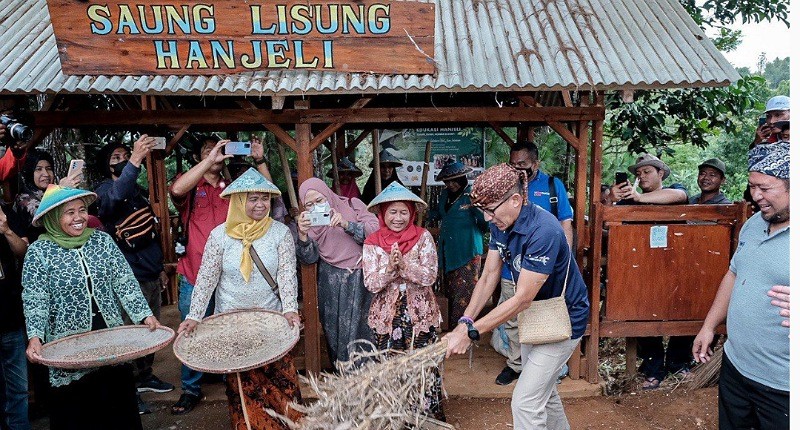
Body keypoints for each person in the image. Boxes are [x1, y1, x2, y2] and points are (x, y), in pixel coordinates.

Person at [444, 164, 589, 429]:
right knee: (544, 393)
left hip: (563, 319)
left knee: (525, 402)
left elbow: (522, 298)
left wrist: (472, 332)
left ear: (515, 199)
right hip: (536, 317)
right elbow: (489, 276)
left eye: (490, 210)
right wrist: (465, 321)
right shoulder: (502, 222)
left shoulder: (543, 230)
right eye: (483, 211)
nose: (487, 219)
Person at [21, 184, 160, 430]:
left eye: (82, 210)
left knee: (118, 410)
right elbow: (35, 298)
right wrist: (35, 336)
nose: (79, 218)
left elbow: (124, 281)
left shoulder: (102, 241)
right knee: (79, 414)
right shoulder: (39, 252)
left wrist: (144, 315)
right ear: (54, 218)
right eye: (69, 213)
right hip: (68, 346)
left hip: (110, 340)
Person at [178, 168, 302, 429]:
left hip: (271, 321)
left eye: (265, 199)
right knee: (244, 389)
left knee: (281, 384)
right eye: (253, 199)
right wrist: (194, 315)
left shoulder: (280, 233)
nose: (260, 205)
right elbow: (206, 279)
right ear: (238, 201)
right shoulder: (219, 235)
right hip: (232, 325)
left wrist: (290, 308)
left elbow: (287, 274)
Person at [693, 143, 789, 429]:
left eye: (765, 188)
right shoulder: (754, 224)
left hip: (783, 383)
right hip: (736, 367)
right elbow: (734, 274)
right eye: (752, 186)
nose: (756, 196)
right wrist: (709, 325)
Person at [93, 136, 174, 413]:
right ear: (106, 167)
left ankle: (145, 376)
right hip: (127, 277)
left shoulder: (137, 191)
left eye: (124, 155)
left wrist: (160, 268)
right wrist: (137, 160)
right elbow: (116, 197)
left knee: (151, 331)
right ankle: (128, 390)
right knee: (129, 335)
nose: (122, 160)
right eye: (115, 158)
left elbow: (150, 232)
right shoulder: (104, 190)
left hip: (149, 271)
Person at [362, 182, 445, 421]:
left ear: (412, 213)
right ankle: (394, 418)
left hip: (420, 316)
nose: (398, 218)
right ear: (382, 213)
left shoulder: (423, 237)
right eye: (392, 211)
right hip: (386, 319)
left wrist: (405, 266)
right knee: (390, 368)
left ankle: (426, 418)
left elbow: (430, 275)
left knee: (423, 367)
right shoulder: (372, 242)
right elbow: (371, 283)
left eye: (403, 212)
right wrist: (389, 269)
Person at [496, 141, 574, 385]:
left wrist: (564, 263)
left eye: (523, 165)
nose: (518, 169)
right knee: (512, 319)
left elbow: (565, 224)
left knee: (544, 315)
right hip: (512, 269)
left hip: (544, 268)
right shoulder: (507, 187)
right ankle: (516, 365)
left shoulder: (552, 186)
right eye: (513, 164)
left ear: (535, 164)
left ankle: (543, 369)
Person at [611, 153, 689, 389]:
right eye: (638, 173)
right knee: (645, 311)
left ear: (660, 174)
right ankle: (654, 369)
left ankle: (678, 363)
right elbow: (608, 219)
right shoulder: (631, 200)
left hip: (675, 267)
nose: (641, 176)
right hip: (642, 269)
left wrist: (640, 199)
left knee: (683, 310)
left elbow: (680, 195)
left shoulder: (674, 191)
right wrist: (611, 199)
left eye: (647, 172)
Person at [168, 136, 232, 414]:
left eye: (220, 148)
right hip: (194, 273)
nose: (215, 152)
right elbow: (176, 189)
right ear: (199, 157)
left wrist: (259, 159)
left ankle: (231, 380)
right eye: (208, 149)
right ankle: (190, 388)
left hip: (229, 276)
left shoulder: (231, 186)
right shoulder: (192, 186)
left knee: (228, 329)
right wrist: (209, 160)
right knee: (191, 330)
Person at [296, 178, 378, 366]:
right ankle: (344, 378)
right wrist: (302, 235)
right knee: (336, 331)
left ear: (328, 194)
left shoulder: (352, 204)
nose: (316, 207)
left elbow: (375, 231)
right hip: (330, 281)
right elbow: (308, 258)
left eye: (319, 200)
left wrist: (346, 224)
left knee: (365, 329)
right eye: (309, 205)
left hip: (362, 278)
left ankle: (370, 379)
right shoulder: (310, 225)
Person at [428, 161, 487, 328]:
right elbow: (441, 214)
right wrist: (425, 212)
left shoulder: (471, 195)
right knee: (452, 290)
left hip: (468, 250)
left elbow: (485, 222)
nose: (450, 184)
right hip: (449, 250)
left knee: (466, 291)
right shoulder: (445, 195)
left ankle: (463, 327)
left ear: (463, 178)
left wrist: (478, 230)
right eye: (447, 181)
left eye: (454, 180)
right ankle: (453, 326)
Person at [0, 203, 30, 430]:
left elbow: (23, 251)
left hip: (10, 317)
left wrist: (7, 230)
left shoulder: (4, 211)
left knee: (18, 387)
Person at [13, 150, 80, 241]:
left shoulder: (50, 191)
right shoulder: (24, 198)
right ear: (29, 172)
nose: (46, 174)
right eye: (38, 169)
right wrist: (61, 191)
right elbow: (47, 220)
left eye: (49, 168)